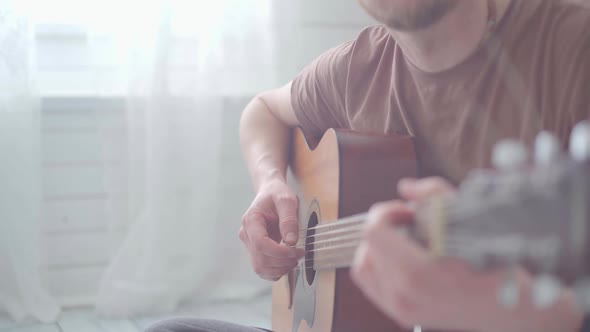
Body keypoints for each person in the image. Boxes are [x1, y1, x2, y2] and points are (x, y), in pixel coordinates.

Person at [147, 0, 590, 331]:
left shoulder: (573, 46)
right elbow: (263, 111)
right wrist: (269, 183)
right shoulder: (354, 69)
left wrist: (539, 313)